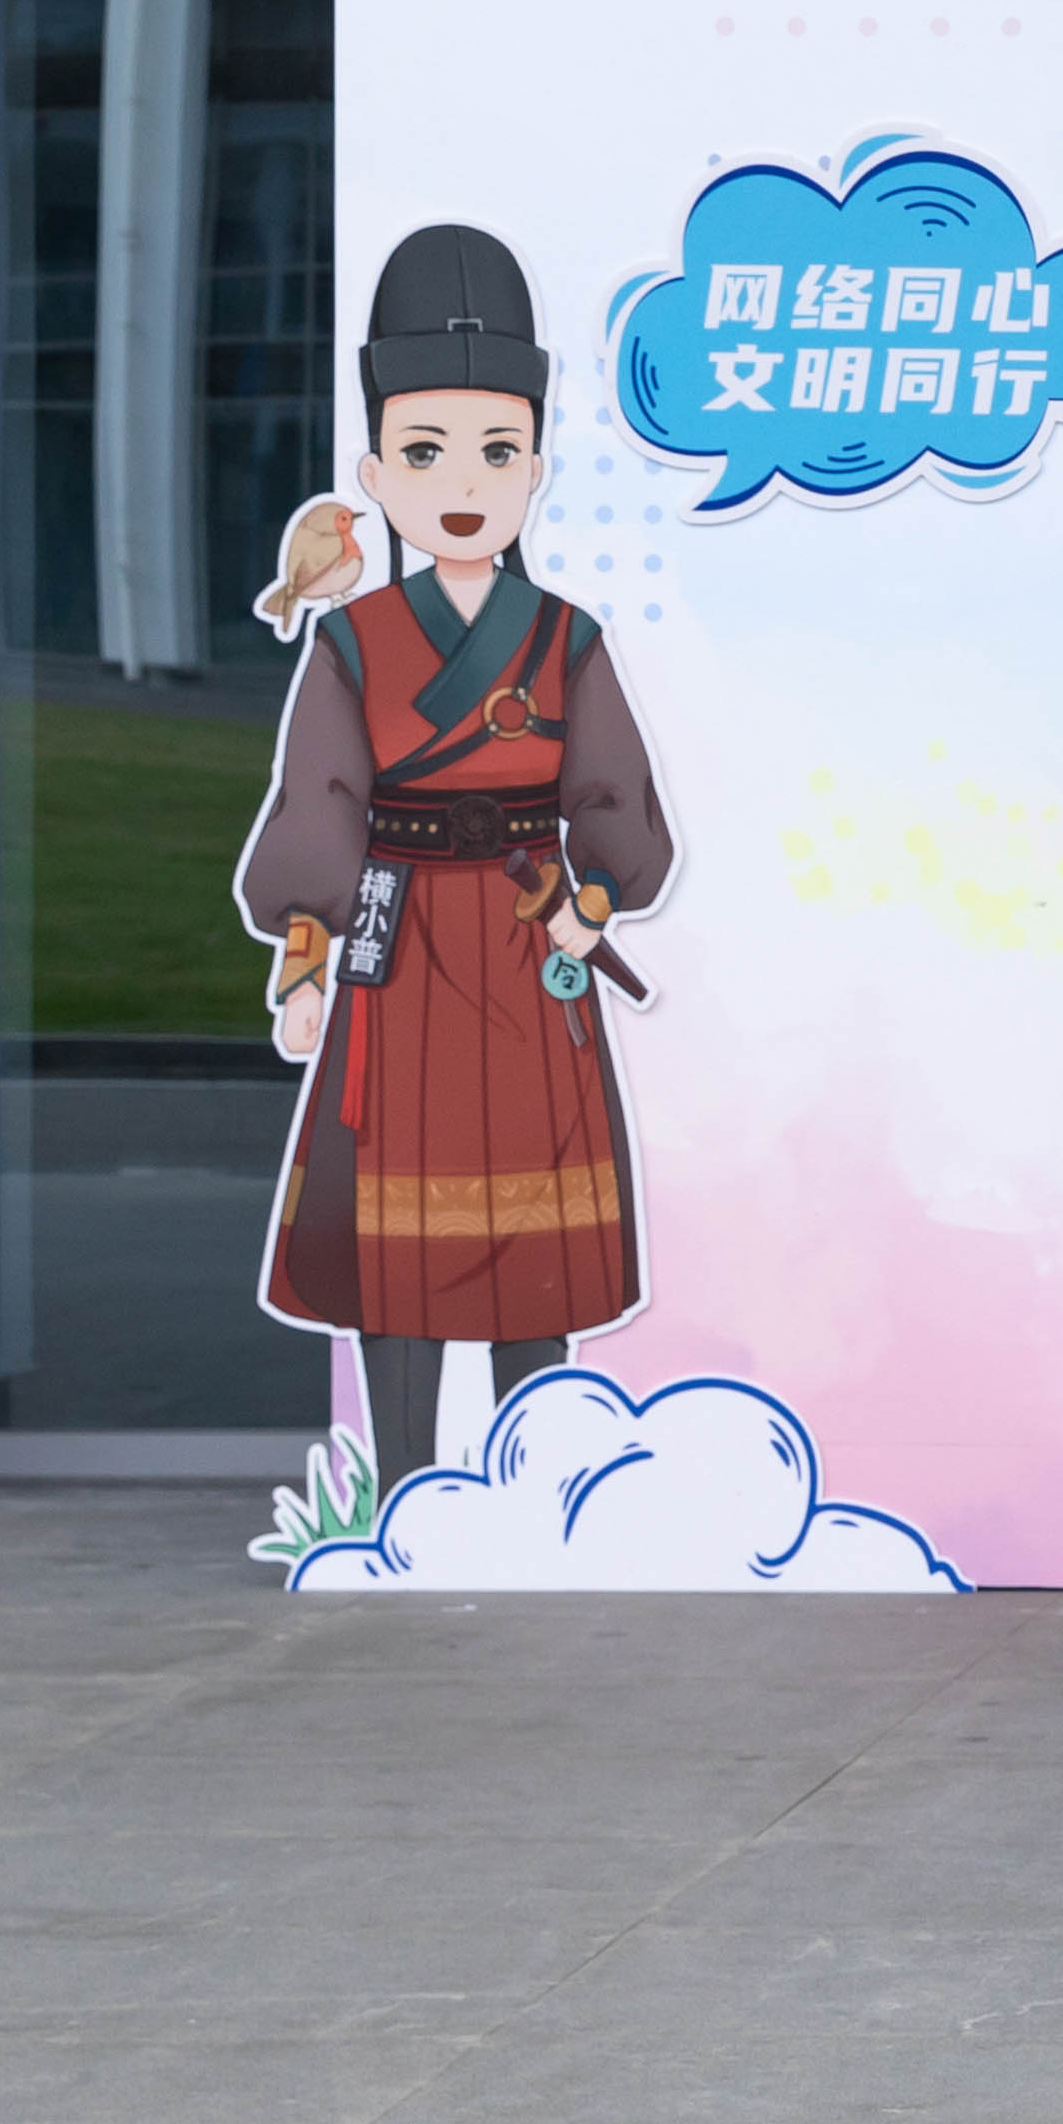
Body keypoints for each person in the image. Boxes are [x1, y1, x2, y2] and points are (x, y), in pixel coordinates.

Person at [233, 225, 679, 1478]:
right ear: (376, 473)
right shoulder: (354, 643)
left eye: (495, 450)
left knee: (533, 1234)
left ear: (536, 466)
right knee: (400, 1234)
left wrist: (597, 894)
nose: (463, 481)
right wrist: (306, 963)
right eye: (426, 451)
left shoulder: (566, 638)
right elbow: (319, 805)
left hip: (531, 942)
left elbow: (613, 795)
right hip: (402, 938)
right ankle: (406, 1487)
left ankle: (539, 1476)